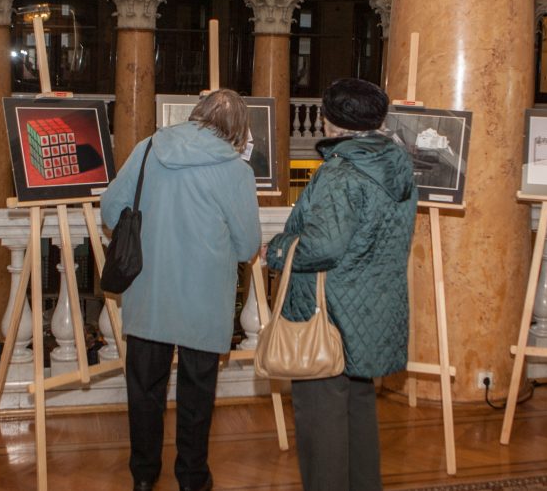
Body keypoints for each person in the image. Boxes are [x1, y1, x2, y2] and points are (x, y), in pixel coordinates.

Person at [100, 88, 261, 491]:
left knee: (144, 392)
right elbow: (246, 246)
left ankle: (143, 476)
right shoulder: (237, 172)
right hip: (204, 301)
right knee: (196, 396)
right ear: (239, 129)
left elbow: (109, 209)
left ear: (196, 114)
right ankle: (191, 478)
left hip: (149, 293)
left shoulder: (149, 148)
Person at [265, 78, 417, 491]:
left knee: (322, 421)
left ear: (330, 122)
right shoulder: (398, 163)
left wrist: (276, 249)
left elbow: (323, 246)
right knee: (358, 409)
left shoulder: (343, 173)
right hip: (372, 307)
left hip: (330, 313)